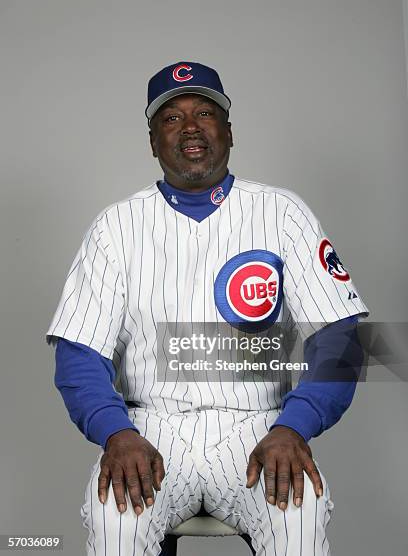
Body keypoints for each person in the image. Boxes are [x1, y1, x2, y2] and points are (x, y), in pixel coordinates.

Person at [46, 61, 368, 556]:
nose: (190, 127)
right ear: (153, 140)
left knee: (299, 526)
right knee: (116, 526)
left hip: (260, 429)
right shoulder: (117, 226)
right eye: (171, 118)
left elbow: (340, 340)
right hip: (149, 430)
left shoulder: (283, 212)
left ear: (229, 131)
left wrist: (293, 426)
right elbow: (78, 354)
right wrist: (116, 433)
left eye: (204, 112)